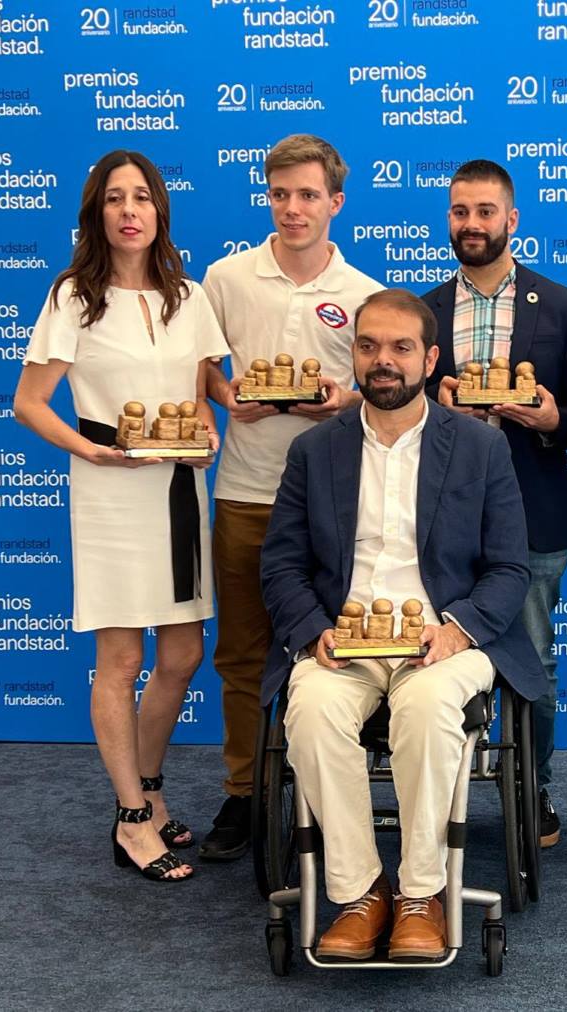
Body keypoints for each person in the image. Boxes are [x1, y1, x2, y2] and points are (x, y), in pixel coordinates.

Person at [259, 288, 546, 960]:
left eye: (399, 348)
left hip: (446, 640)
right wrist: (310, 630)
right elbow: (281, 566)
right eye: (368, 346)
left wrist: (457, 629)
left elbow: (509, 569)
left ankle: (421, 893)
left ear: (430, 357)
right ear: (353, 355)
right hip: (342, 642)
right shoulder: (314, 451)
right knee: (312, 709)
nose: (382, 361)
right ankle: (361, 893)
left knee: (424, 706)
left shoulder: (479, 448)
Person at [13, 150, 230, 882]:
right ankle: (134, 818)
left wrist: (204, 437)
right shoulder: (74, 295)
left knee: (181, 656)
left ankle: (151, 788)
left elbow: (199, 390)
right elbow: (29, 402)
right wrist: (91, 451)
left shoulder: (189, 296)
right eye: (115, 199)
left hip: (175, 487)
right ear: (96, 213)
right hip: (108, 489)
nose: (129, 210)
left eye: (141, 197)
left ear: (160, 211)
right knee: (122, 659)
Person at [198, 134, 383, 861]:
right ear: (267, 198)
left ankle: (323, 789)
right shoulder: (225, 277)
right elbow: (200, 366)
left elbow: (378, 391)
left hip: (333, 509)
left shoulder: (363, 293)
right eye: (280, 195)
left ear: (335, 201)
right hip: (245, 492)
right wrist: (224, 393)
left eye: (308, 195)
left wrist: (341, 402)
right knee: (242, 655)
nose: (293, 209)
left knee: (336, 655)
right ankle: (243, 794)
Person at [423, 159, 567, 848]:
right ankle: (437, 785)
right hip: (441, 520)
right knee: (431, 657)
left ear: (511, 220)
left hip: (531, 507)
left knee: (536, 662)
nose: (472, 224)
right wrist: (431, 404)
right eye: (461, 211)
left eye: (485, 212)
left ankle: (534, 792)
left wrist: (553, 419)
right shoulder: (424, 310)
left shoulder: (560, 304)